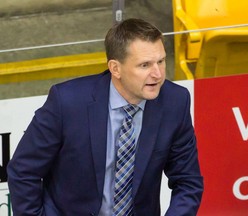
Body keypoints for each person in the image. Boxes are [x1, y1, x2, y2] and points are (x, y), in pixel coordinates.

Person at [7, 18, 203, 216]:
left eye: (161, 61)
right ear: (115, 68)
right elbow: (23, 171)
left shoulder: (175, 102)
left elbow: (188, 181)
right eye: (145, 65)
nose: (158, 74)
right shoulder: (67, 102)